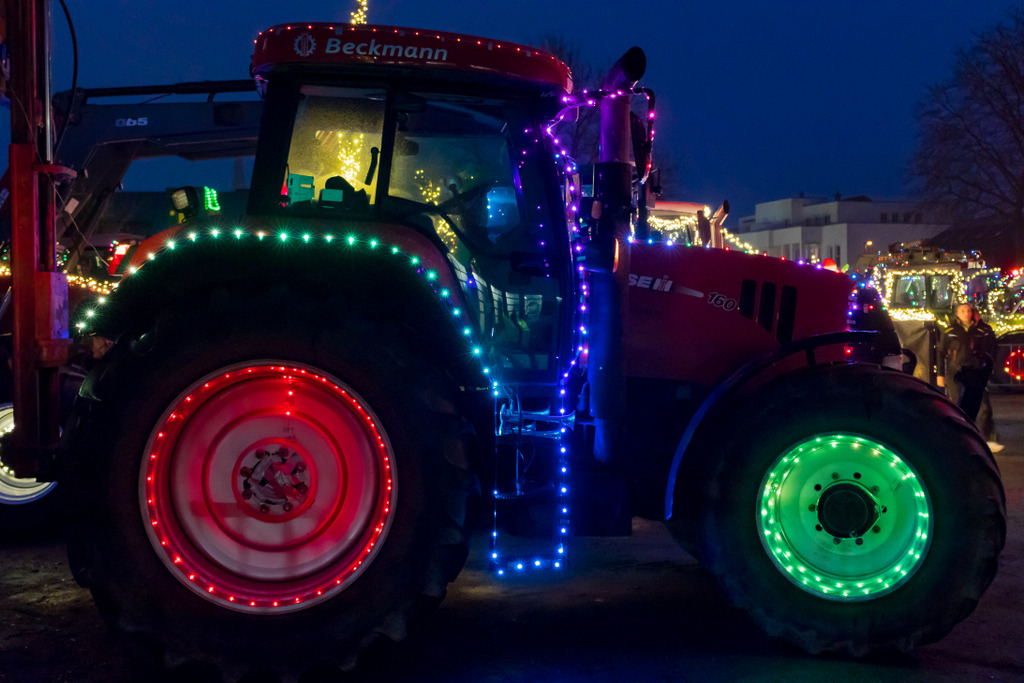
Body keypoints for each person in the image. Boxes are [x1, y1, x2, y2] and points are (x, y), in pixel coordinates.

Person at [937, 302, 1002, 451]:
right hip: (956, 372)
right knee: (956, 405)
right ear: (957, 314)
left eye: (968, 310)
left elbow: (992, 348)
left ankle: (986, 438)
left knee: (983, 406)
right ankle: (958, 438)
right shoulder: (950, 331)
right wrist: (940, 375)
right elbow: (941, 353)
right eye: (963, 311)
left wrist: (988, 366)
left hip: (977, 372)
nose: (966, 313)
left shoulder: (982, 330)